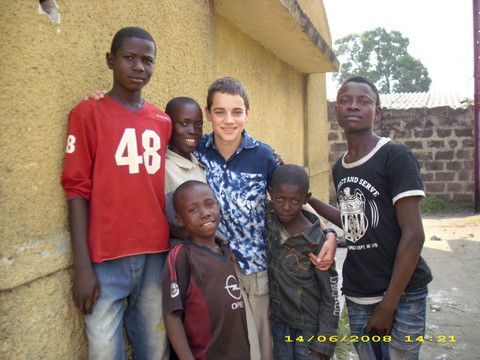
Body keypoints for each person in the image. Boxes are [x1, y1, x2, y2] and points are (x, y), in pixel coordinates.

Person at [194, 77, 338, 359]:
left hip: (257, 268)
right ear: (208, 113)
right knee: (226, 342)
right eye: (219, 111)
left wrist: (329, 233)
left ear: (248, 113)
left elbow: (294, 199)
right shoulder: (197, 149)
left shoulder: (263, 156)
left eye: (237, 112)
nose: (228, 120)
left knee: (261, 346)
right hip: (216, 266)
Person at [61, 27, 171, 359]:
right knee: (104, 351)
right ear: (111, 61)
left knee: (154, 348)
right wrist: (81, 265)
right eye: (129, 58)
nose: (138, 66)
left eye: (147, 60)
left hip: (155, 252)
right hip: (104, 257)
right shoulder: (87, 114)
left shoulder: (161, 120)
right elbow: (76, 188)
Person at [308, 76, 432, 359]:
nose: (353, 106)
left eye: (364, 101)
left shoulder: (395, 156)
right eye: (345, 100)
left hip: (403, 294)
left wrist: (388, 305)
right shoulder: (339, 167)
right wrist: (310, 200)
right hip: (358, 292)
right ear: (336, 109)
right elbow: (354, 222)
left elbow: (414, 235)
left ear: (377, 111)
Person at [162, 180, 250, 360]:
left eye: (210, 204)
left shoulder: (225, 249)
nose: (205, 213)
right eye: (193, 210)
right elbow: (172, 315)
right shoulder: (182, 256)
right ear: (179, 219)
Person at [266, 165, 339, 360]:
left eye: (295, 201)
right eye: (280, 199)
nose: (286, 206)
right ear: (270, 193)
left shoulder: (316, 241)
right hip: (280, 324)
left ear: (306, 199)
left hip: (309, 329)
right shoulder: (269, 220)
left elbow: (330, 294)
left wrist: (325, 339)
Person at [164, 97, 207, 243]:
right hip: (182, 249)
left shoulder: (199, 163)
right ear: (168, 125)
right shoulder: (162, 166)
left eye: (198, 125)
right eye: (184, 124)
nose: (193, 131)